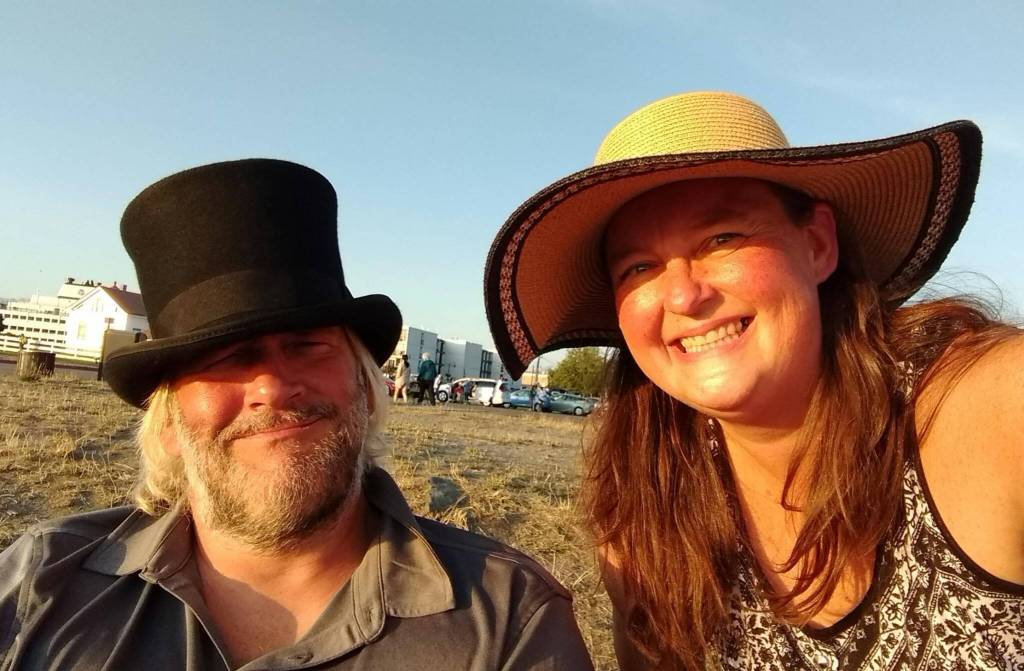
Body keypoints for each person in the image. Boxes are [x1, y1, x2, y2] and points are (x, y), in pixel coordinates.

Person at [484, 92, 1023, 670]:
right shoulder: (650, 516)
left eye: (721, 239)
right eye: (638, 267)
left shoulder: (980, 409)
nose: (684, 294)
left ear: (817, 245)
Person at [0, 159, 594, 670]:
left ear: (366, 389)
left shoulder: (509, 620)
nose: (272, 386)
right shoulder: (39, 585)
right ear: (169, 420)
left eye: (308, 345)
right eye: (226, 358)